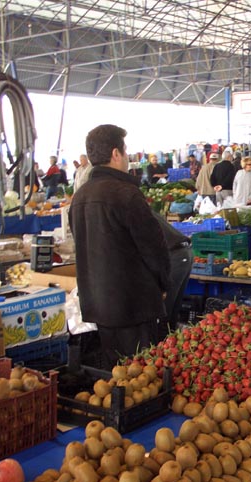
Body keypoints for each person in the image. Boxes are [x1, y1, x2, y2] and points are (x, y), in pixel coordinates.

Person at [69, 124, 173, 368]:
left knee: (115, 373)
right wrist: (163, 283)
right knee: (141, 375)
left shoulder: (80, 197)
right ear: (116, 154)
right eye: (125, 152)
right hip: (133, 304)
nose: (127, 158)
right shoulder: (126, 194)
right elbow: (153, 247)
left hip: (98, 304)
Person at [151, 211, 193, 331]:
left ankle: (161, 343)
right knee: (171, 310)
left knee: (164, 310)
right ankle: (167, 341)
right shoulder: (138, 208)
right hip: (181, 252)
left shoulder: (134, 212)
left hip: (174, 255)